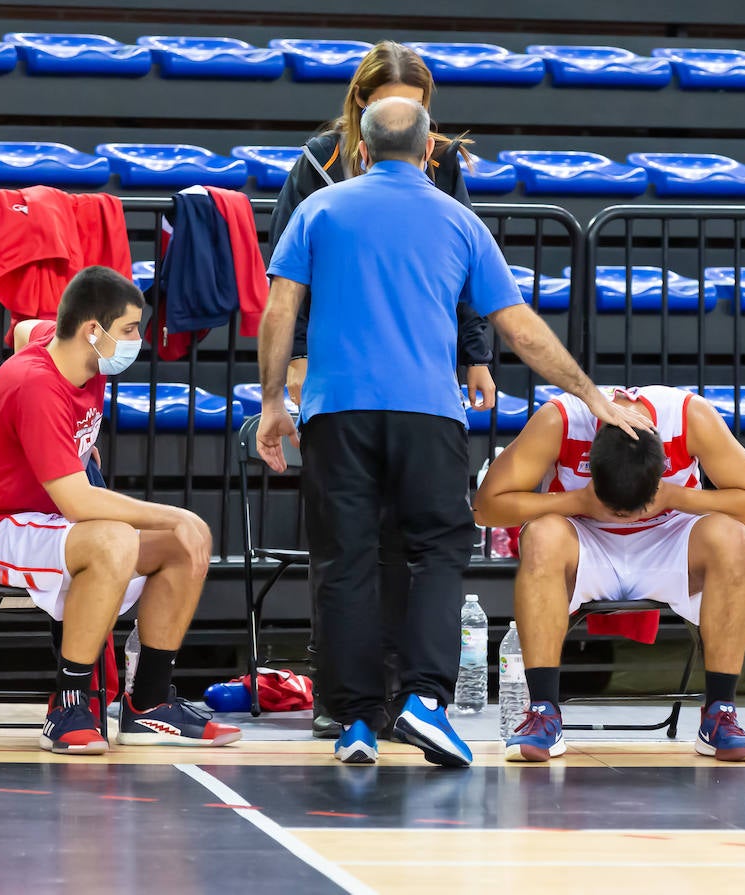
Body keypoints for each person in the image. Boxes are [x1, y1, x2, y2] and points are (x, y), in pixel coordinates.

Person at [258, 97, 649, 767]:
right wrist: (591, 395)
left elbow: (279, 308)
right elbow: (518, 326)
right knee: (438, 549)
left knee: (344, 561)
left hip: (336, 410)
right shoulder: (460, 220)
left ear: (361, 146)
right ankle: (425, 701)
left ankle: (355, 720)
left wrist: (272, 401)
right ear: (428, 148)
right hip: (429, 411)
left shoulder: (318, 210)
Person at [269, 39, 496, 739]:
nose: (406, 113)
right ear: (361, 106)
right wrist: (295, 362)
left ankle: (401, 695)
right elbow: (287, 274)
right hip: (341, 369)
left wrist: (476, 355)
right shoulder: (318, 160)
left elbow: (461, 264)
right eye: (389, 101)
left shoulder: (444, 160)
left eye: (419, 104)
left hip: (418, 377)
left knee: (405, 540)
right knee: (345, 545)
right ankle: (341, 696)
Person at [0, 266, 242, 754]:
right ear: (92, 331)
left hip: (41, 523)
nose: (137, 340)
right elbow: (78, 503)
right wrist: (174, 513)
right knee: (121, 535)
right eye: (128, 329)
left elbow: (21, 331)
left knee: (183, 545)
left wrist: (59, 445)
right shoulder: (36, 385)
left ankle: (149, 706)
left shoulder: (66, 350)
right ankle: (68, 706)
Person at [474, 385, 745, 763]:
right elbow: (486, 508)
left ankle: (720, 714)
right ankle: (543, 712)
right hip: (586, 542)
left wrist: (672, 497)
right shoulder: (560, 419)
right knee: (543, 534)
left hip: (670, 543)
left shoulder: (690, 416)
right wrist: (577, 501)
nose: (626, 516)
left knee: (731, 536)